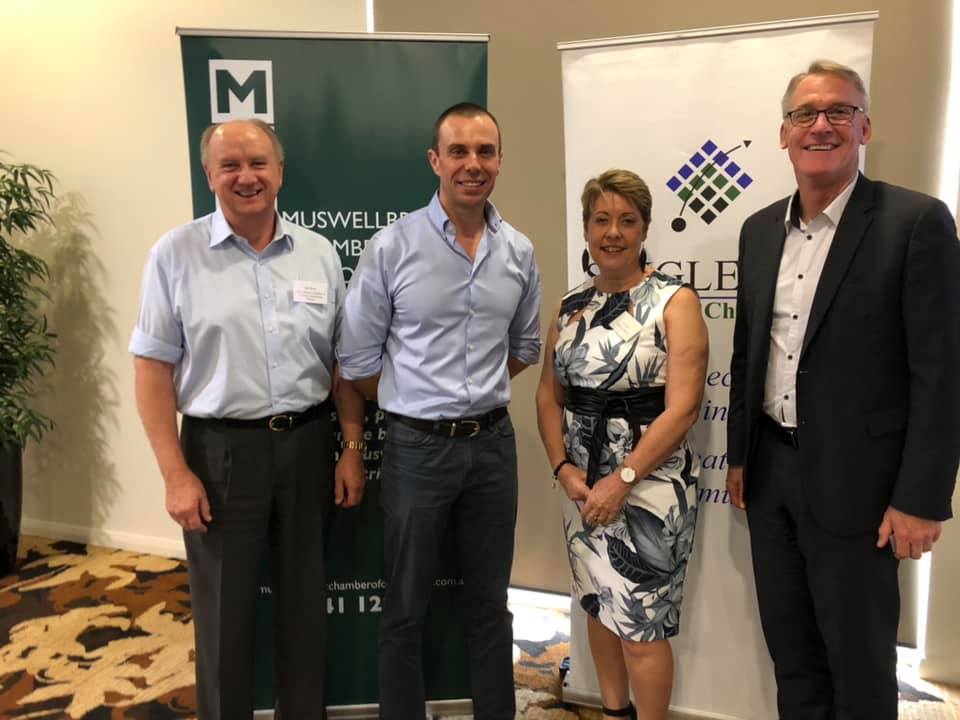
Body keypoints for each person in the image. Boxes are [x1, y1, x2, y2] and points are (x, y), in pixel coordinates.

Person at [726, 59, 960, 719]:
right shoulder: (758, 230)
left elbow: (941, 373)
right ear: (784, 133)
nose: (821, 125)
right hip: (771, 478)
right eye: (805, 113)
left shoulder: (915, 222)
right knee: (793, 656)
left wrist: (920, 498)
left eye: (839, 111)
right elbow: (749, 351)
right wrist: (741, 456)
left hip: (863, 487)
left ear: (865, 127)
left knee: (858, 665)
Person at [130, 119, 366, 720]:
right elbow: (152, 372)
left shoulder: (318, 253)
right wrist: (175, 474)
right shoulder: (174, 255)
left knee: (305, 610)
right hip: (219, 454)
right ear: (208, 174)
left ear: (279, 172)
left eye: (258, 163)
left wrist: (351, 447)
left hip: (307, 444)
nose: (246, 177)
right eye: (230, 165)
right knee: (223, 617)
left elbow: (341, 364)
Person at [336, 102, 541, 720]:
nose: (472, 164)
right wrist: (419, 400)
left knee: (491, 603)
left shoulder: (518, 251)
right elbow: (356, 360)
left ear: (499, 161)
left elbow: (524, 347)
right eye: (458, 151)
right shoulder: (392, 247)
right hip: (415, 449)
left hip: (492, 448)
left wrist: (470, 394)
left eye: (485, 152)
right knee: (404, 608)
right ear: (435, 161)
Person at [536, 169, 708, 720]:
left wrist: (623, 479)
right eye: (601, 220)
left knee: (640, 629)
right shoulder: (569, 306)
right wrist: (562, 467)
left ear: (645, 228)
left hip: (650, 489)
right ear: (586, 228)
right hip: (582, 487)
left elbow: (683, 409)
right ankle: (615, 713)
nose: (613, 232)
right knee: (598, 606)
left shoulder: (675, 301)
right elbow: (548, 396)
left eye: (627, 220)